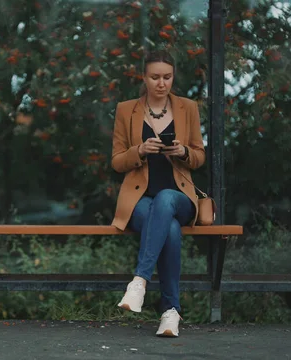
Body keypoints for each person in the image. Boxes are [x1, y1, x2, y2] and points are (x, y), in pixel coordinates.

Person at [110, 49, 206, 337]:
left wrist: (184, 151)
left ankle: (139, 281)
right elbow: (116, 161)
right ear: (144, 77)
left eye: (167, 77)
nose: (162, 83)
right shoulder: (126, 110)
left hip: (178, 196)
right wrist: (138, 150)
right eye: (155, 77)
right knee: (171, 231)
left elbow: (200, 155)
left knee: (166, 200)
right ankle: (170, 312)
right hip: (140, 200)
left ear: (173, 77)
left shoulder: (188, 107)